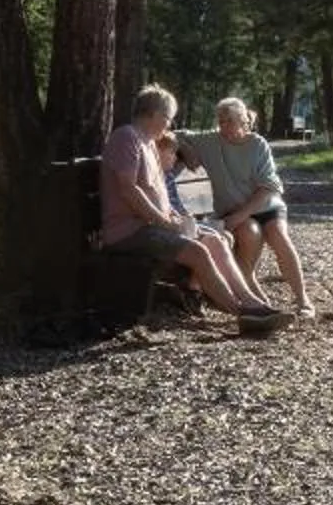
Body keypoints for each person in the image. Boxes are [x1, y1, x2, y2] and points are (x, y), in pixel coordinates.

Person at [100, 85, 291, 331]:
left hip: (152, 225)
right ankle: (242, 313)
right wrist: (163, 221)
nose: (168, 125)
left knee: (216, 240)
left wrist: (175, 216)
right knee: (197, 251)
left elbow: (156, 193)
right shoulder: (127, 138)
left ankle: (253, 302)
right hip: (129, 231)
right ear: (155, 114)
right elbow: (129, 190)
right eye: (168, 118)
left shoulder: (147, 143)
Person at [177, 96, 308, 314]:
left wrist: (240, 215)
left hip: (266, 206)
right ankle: (256, 300)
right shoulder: (210, 141)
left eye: (229, 120)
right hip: (235, 212)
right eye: (220, 121)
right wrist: (186, 149)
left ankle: (303, 300)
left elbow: (269, 186)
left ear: (242, 120)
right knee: (250, 234)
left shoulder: (257, 144)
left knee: (279, 237)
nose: (223, 125)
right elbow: (175, 134)